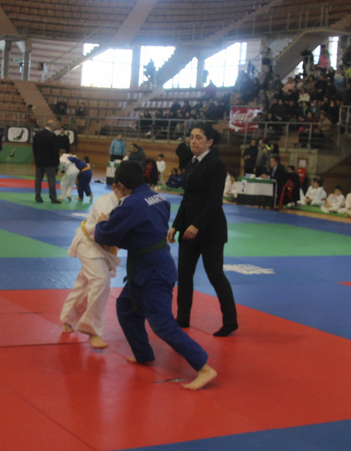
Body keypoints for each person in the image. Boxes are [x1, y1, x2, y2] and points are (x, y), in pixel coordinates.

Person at [95, 161, 217, 390]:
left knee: (161, 323)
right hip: (150, 265)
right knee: (126, 308)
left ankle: (204, 367)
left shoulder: (130, 204)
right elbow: (144, 231)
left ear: (119, 185)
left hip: (152, 271)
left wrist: (102, 224)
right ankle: (143, 354)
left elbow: (107, 235)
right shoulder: (158, 198)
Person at [169, 125, 238, 337]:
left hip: (210, 230)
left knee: (215, 275)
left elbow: (214, 201)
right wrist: (176, 225)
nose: (193, 141)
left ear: (210, 142)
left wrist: (197, 225)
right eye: (191, 137)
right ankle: (182, 317)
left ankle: (230, 321)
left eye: (199, 138)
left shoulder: (215, 164)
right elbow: (187, 198)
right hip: (188, 229)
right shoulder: (192, 163)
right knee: (184, 274)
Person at [60, 185, 121, 349]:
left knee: (85, 283)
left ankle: (67, 317)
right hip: (89, 242)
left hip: (107, 246)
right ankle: (93, 331)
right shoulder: (105, 202)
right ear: (116, 187)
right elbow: (106, 227)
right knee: (100, 280)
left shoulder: (131, 201)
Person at [32, 119, 60, 203]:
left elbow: (34, 148)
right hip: (50, 162)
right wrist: (56, 163)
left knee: (38, 179)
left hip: (39, 161)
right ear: (52, 126)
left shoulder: (37, 135)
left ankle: (37, 196)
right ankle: (53, 198)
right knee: (51, 180)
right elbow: (55, 151)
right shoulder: (53, 136)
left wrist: (36, 158)